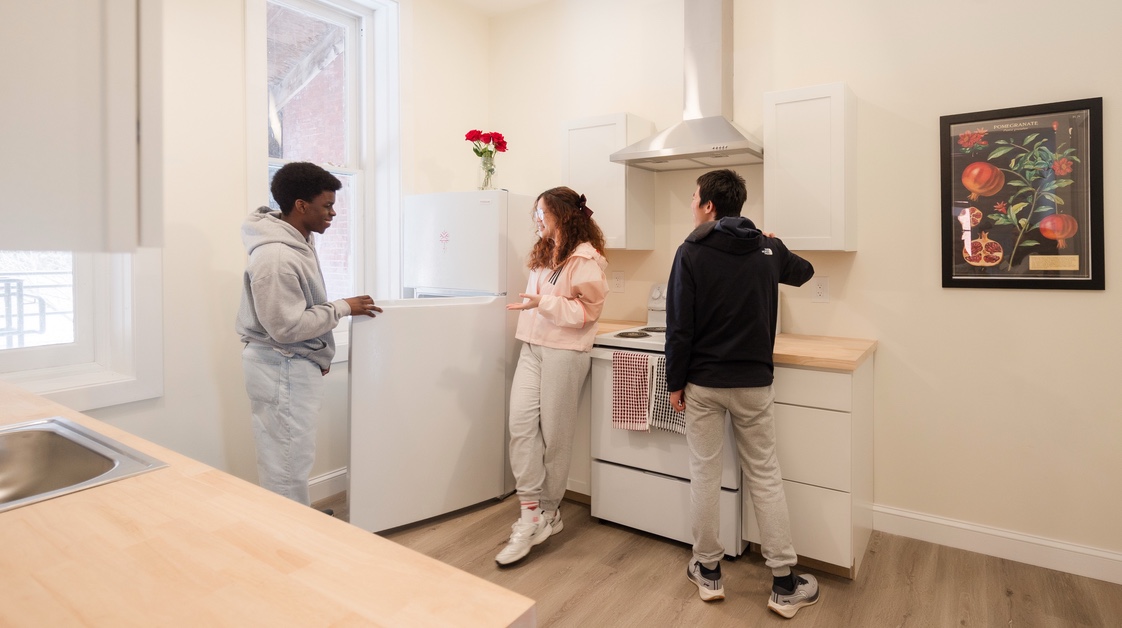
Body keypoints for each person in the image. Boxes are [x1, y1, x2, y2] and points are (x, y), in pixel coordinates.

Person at [665, 169, 819, 618]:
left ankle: (708, 571)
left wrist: (675, 382)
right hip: (753, 383)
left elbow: (680, 326)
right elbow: (805, 273)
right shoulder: (765, 249)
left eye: (694, 197)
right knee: (765, 476)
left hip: (704, 384)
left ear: (710, 205)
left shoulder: (691, 250)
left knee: (705, 474)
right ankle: (785, 583)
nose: (692, 204)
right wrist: (774, 242)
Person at [236, 161, 382, 507]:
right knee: (285, 462)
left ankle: (295, 528)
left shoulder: (298, 242)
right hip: (281, 364)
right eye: (327, 206)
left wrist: (316, 353)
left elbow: (293, 317)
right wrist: (342, 307)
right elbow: (286, 328)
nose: (332, 214)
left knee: (291, 456)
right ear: (301, 206)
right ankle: (289, 543)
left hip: (290, 362)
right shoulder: (276, 257)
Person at [496, 187, 609, 565]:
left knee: (555, 437)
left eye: (542, 213)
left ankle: (548, 512)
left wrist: (541, 302)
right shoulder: (545, 251)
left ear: (562, 215)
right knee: (521, 426)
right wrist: (538, 305)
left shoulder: (585, 258)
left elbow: (587, 312)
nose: (537, 220)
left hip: (565, 351)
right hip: (532, 345)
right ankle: (529, 513)